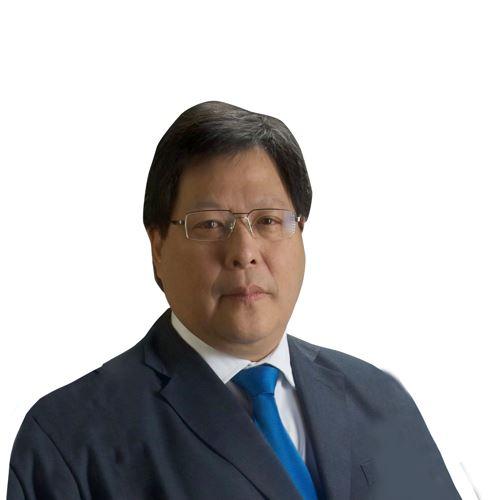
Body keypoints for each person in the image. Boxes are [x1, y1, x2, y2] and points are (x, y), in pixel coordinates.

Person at [7, 101, 461, 499]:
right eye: (209, 224)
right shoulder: (69, 438)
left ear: (300, 232)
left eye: (267, 221)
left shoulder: (378, 398)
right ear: (158, 246)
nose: (244, 252)